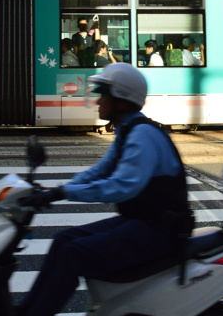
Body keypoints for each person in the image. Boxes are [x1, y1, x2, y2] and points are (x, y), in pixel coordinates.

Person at [15, 63, 194, 316]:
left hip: (159, 232)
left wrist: (65, 194)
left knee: (71, 254)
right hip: (142, 222)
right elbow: (100, 170)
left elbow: (121, 186)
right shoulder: (128, 130)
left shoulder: (142, 135)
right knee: (63, 240)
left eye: (104, 94)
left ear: (121, 99)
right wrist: (57, 190)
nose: (99, 101)